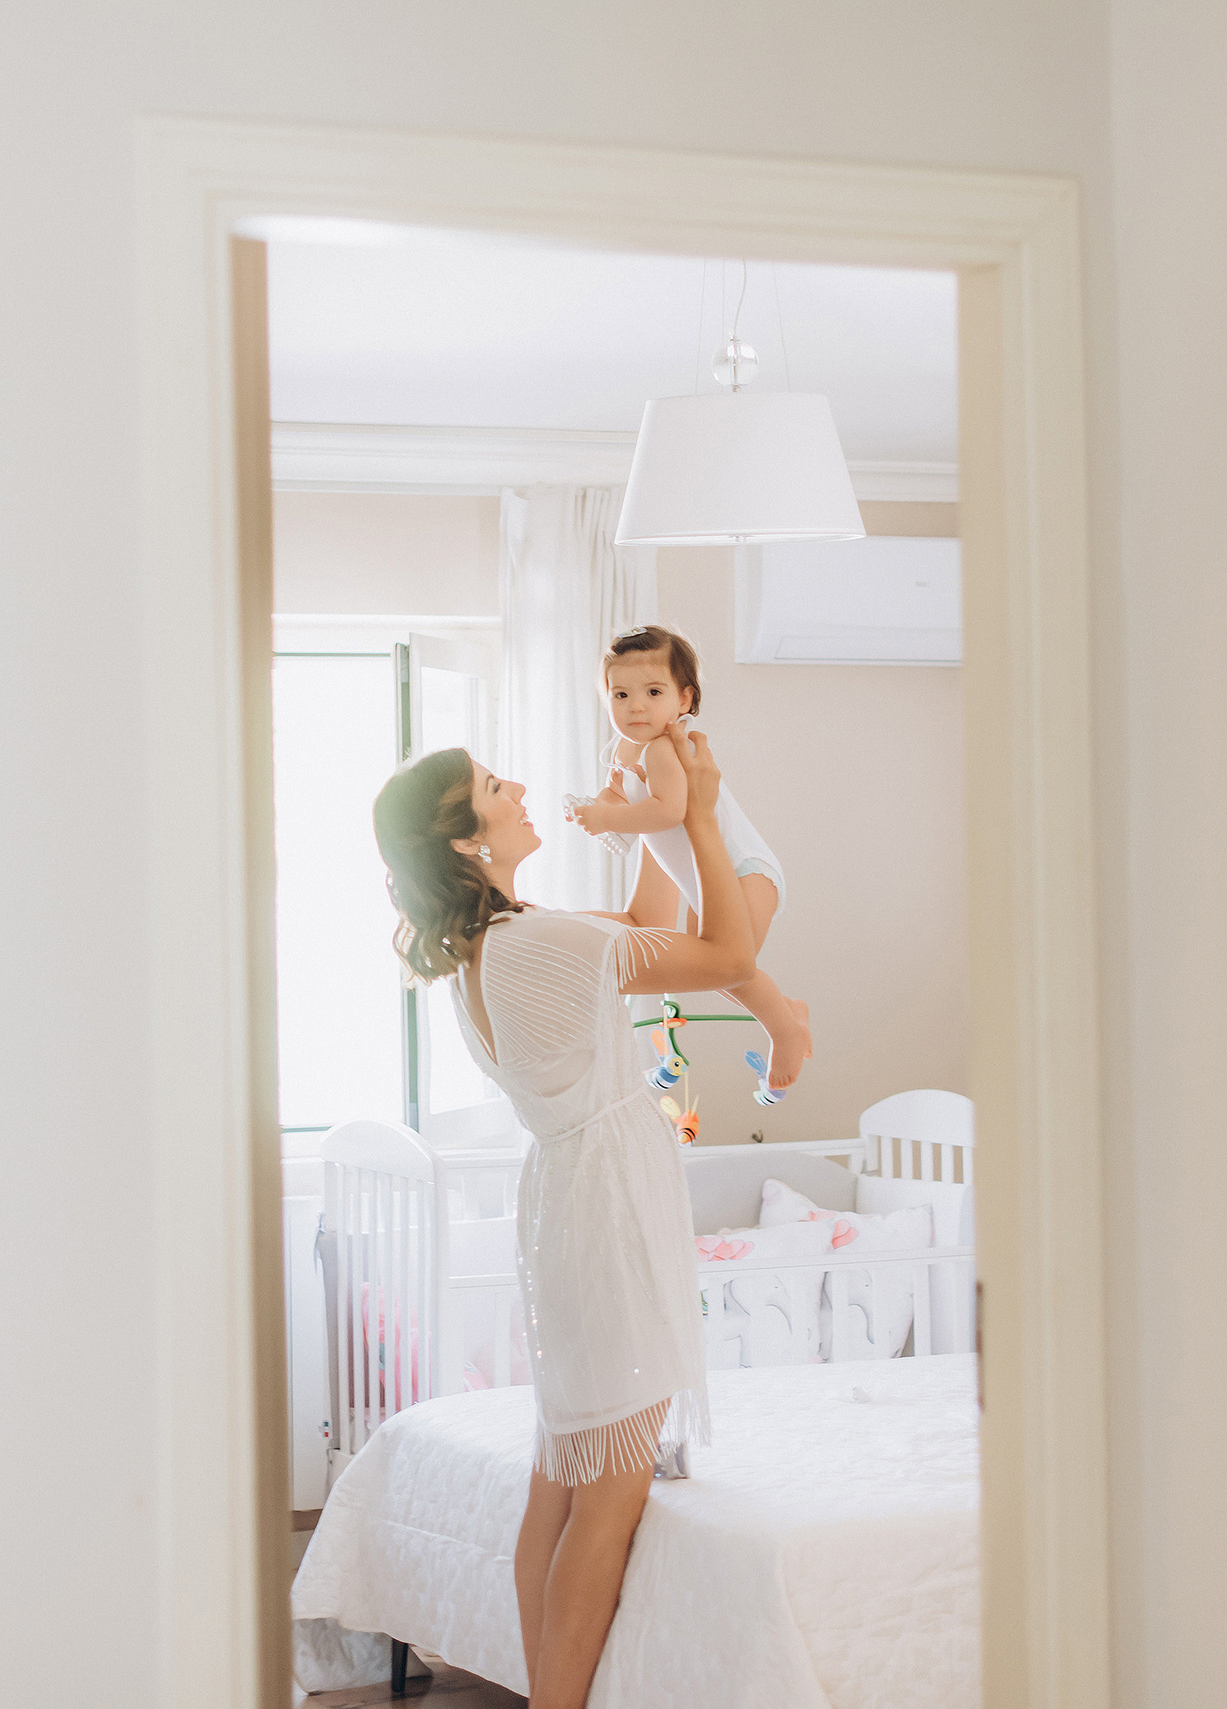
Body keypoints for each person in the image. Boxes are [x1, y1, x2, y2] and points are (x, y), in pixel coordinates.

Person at [371, 726, 756, 1708]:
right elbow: (727, 951)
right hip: (604, 1211)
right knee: (610, 1488)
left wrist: (651, 814)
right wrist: (704, 815)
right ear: (468, 841)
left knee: (566, 1468)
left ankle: (547, 1692)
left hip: (574, 1204)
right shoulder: (537, 944)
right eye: (497, 786)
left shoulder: (497, 945)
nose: (522, 788)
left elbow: (639, 915)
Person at [562, 624, 813, 1097]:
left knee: (732, 967)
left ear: (684, 699)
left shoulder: (663, 750)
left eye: (652, 692)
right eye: (620, 694)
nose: (635, 706)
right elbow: (618, 792)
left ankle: (786, 1030)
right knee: (717, 973)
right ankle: (788, 1009)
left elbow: (669, 811)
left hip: (744, 872)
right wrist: (599, 806)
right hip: (704, 878)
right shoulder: (625, 748)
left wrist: (603, 818)